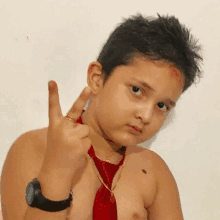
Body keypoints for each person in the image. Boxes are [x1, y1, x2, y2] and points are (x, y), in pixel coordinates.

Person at [1, 12, 203, 220]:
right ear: (97, 79)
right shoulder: (35, 148)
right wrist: (57, 170)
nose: (146, 115)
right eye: (136, 90)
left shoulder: (153, 172)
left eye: (162, 105)